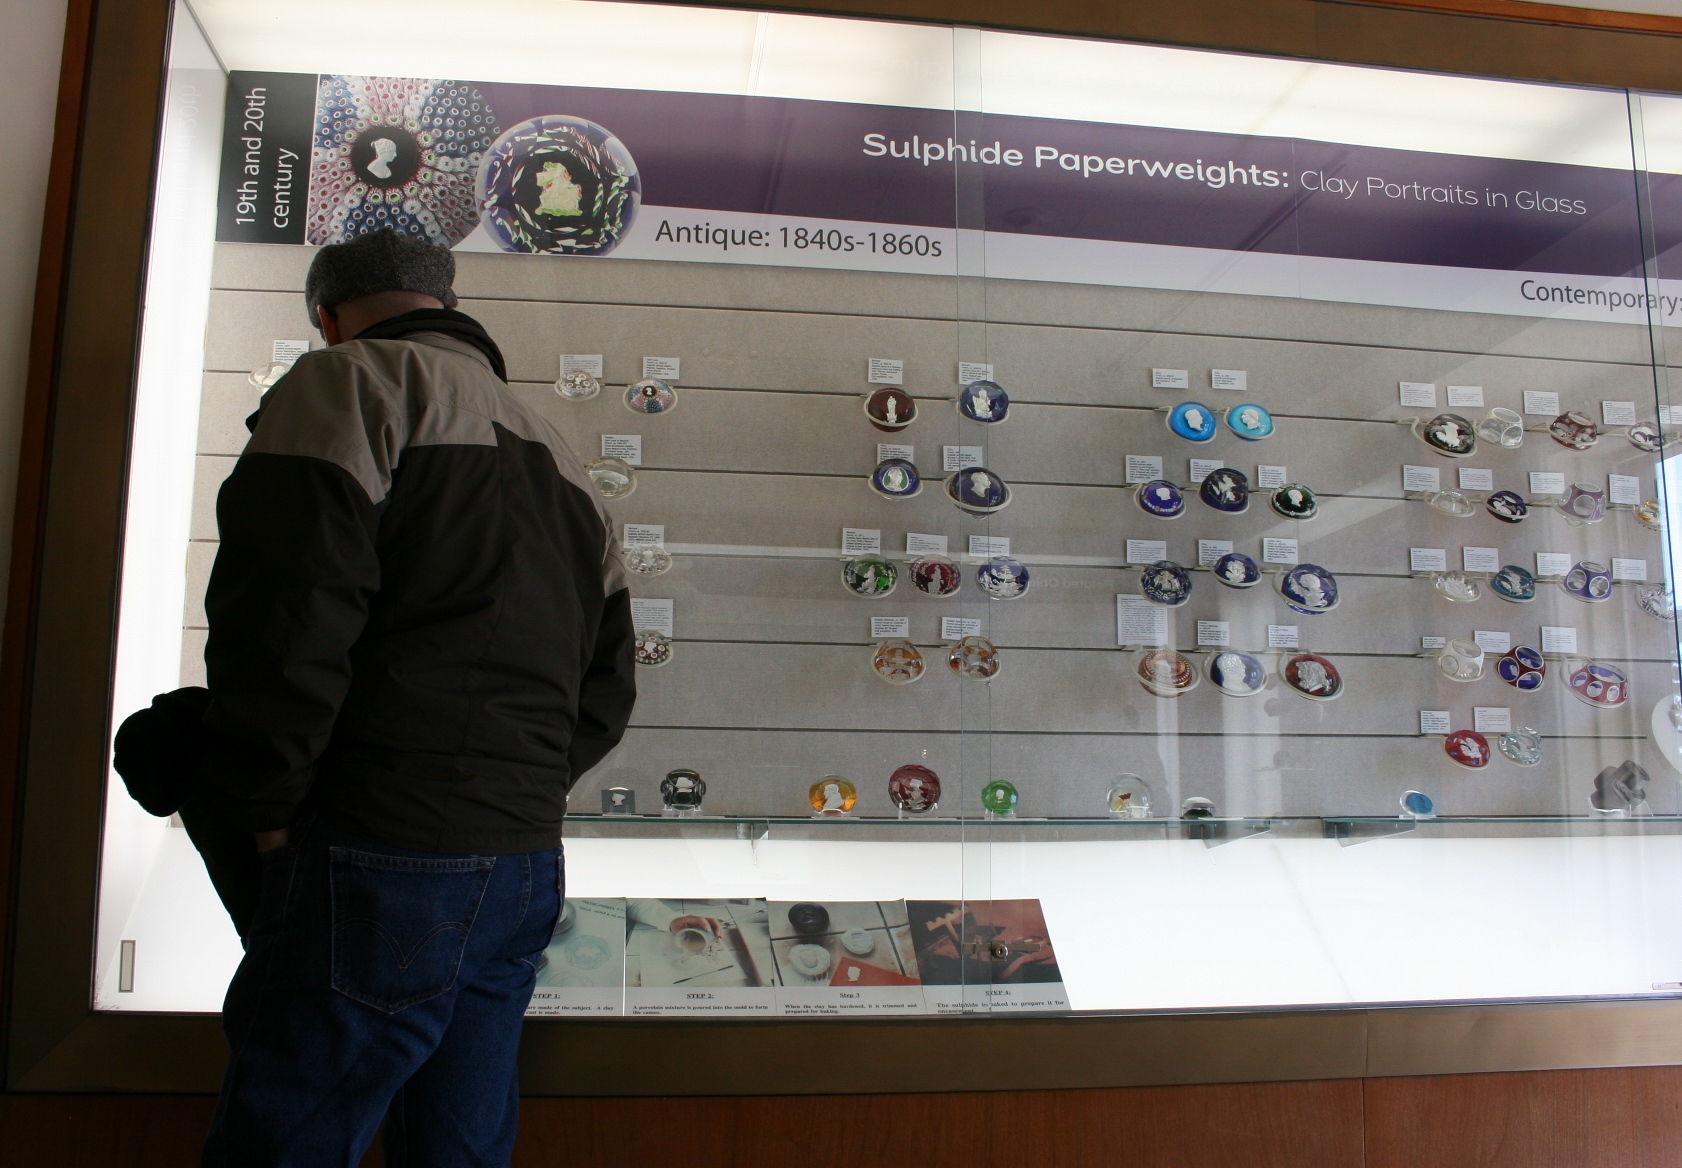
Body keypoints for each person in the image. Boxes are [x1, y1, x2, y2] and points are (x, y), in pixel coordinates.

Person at [197, 228, 636, 1167]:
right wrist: (508, 793)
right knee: (457, 1150)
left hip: (379, 849)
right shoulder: (560, 456)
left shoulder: (348, 385)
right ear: (448, 304)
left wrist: (266, 813)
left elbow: (283, 623)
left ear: (327, 317)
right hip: (522, 865)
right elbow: (606, 691)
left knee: (286, 1144)